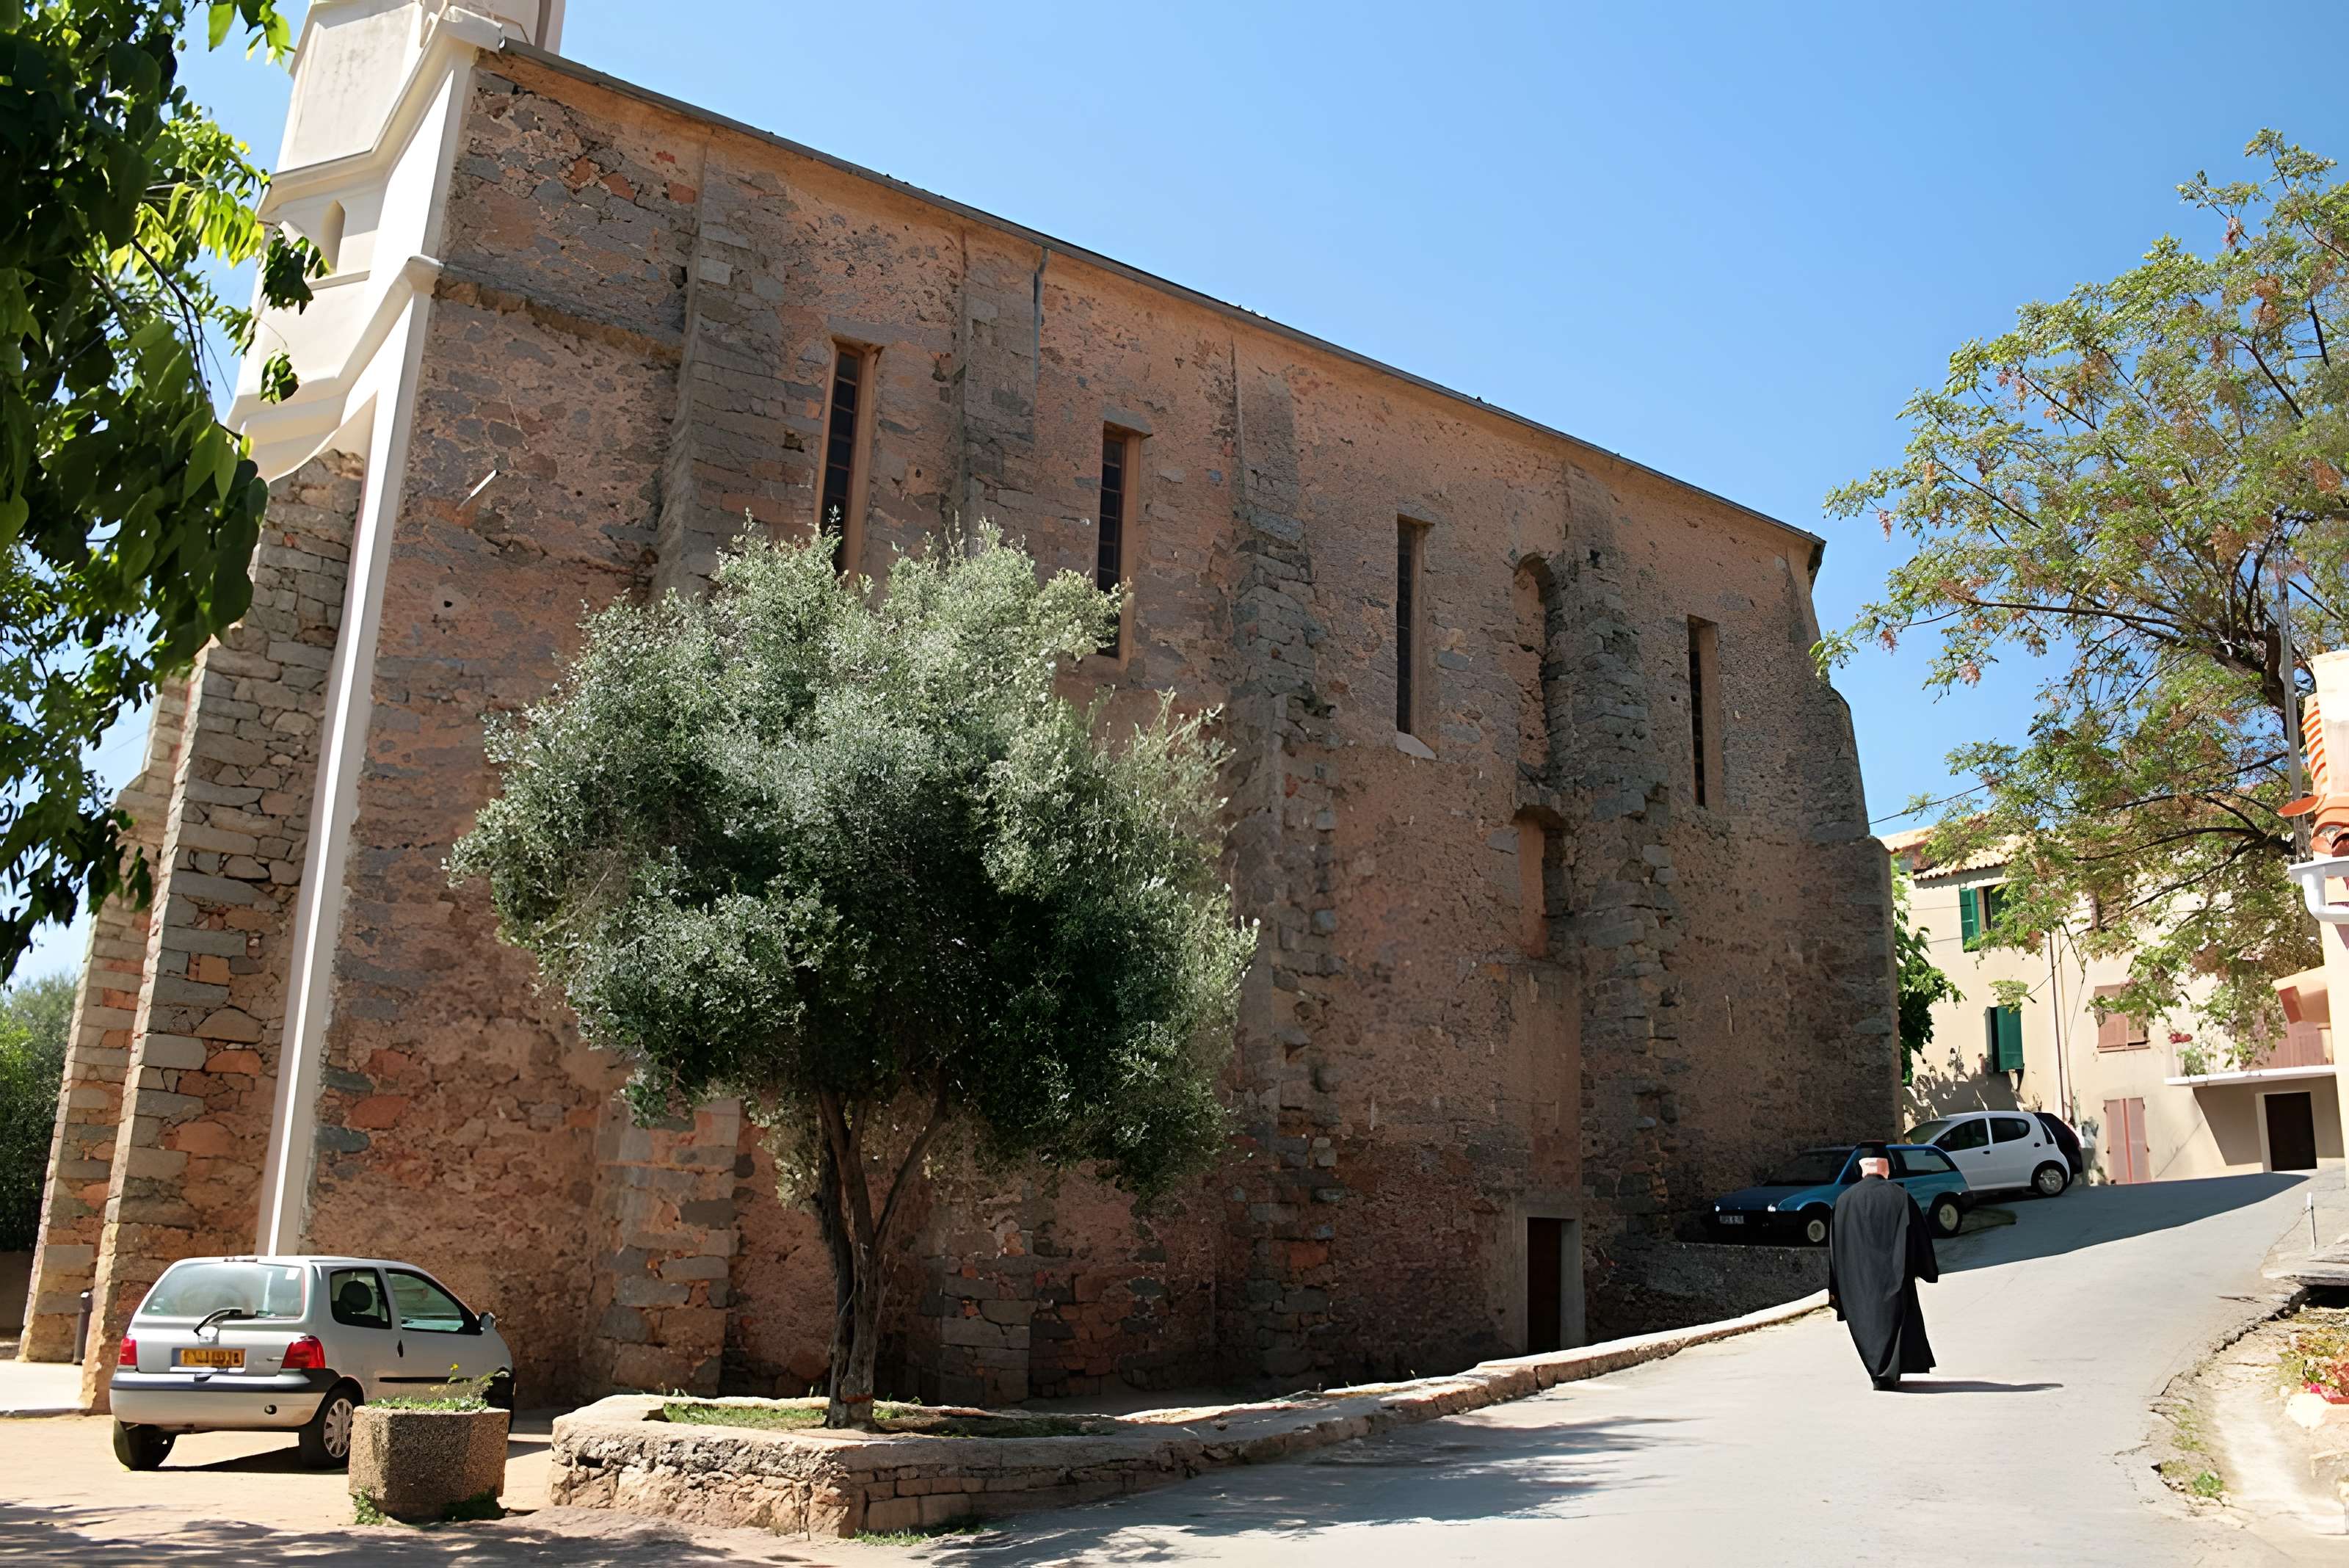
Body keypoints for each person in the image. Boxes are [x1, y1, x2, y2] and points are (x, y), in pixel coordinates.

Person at [1826, 1143, 1939, 1390]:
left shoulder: (1843, 1202)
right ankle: (1885, 1374)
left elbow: (1835, 1247)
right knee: (1892, 1322)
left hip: (1857, 1282)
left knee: (1868, 1325)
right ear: (1886, 1168)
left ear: (1861, 1169)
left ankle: (1879, 1373)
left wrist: (1837, 1285)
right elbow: (1918, 1236)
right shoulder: (1900, 1196)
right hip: (1893, 1277)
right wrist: (1926, 1269)